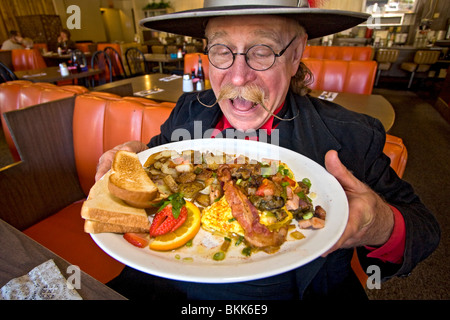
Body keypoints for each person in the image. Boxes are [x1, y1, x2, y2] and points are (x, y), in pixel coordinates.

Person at [97, 0, 440, 300]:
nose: (238, 77)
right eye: (221, 51)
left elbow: (424, 230)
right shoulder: (188, 111)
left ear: (295, 55)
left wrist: (376, 222)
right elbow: (151, 173)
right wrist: (132, 160)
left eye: (262, 51)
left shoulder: (351, 136)